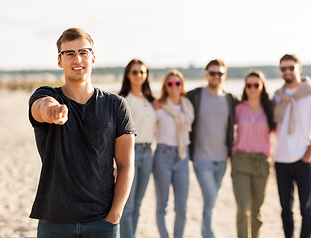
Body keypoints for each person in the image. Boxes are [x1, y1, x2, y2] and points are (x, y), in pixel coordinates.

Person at [28, 28, 136, 238]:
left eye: (83, 52)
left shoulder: (116, 105)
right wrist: (51, 111)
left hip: (102, 222)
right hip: (54, 222)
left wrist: (115, 214)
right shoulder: (48, 95)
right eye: (69, 53)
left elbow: (126, 165)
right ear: (60, 61)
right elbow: (40, 107)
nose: (77, 58)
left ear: (93, 57)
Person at [273, 54, 311, 238]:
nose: (287, 72)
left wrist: (308, 155)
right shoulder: (278, 96)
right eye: (283, 68)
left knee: (306, 208)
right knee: (285, 209)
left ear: (299, 68)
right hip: (281, 159)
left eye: (291, 67)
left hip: (303, 160)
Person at [186, 59, 238, 238]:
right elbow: (174, 100)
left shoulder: (231, 100)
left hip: (222, 159)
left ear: (225, 76)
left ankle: (205, 233)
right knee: (210, 199)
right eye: (213, 73)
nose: (216, 76)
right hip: (201, 159)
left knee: (211, 202)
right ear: (206, 74)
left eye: (220, 73)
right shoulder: (195, 96)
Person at [231, 71, 276, 238]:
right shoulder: (238, 109)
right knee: (243, 209)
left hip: (262, 163)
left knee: (257, 211)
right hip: (241, 161)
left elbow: (283, 130)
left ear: (262, 86)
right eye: (248, 85)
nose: (252, 88)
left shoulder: (271, 109)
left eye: (256, 85)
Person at [118, 58, 157, 238]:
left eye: (142, 72)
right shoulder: (123, 101)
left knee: (138, 205)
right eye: (135, 72)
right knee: (128, 205)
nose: (139, 75)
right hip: (130, 153)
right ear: (128, 75)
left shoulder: (151, 101)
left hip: (148, 153)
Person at [153, 70, 194, 238]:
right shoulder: (158, 106)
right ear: (165, 86)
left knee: (181, 207)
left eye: (178, 83)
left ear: (182, 85)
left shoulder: (188, 105)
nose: (174, 87)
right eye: (170, 83)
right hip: (163, 155)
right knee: (162, 205)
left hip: (183, 156)